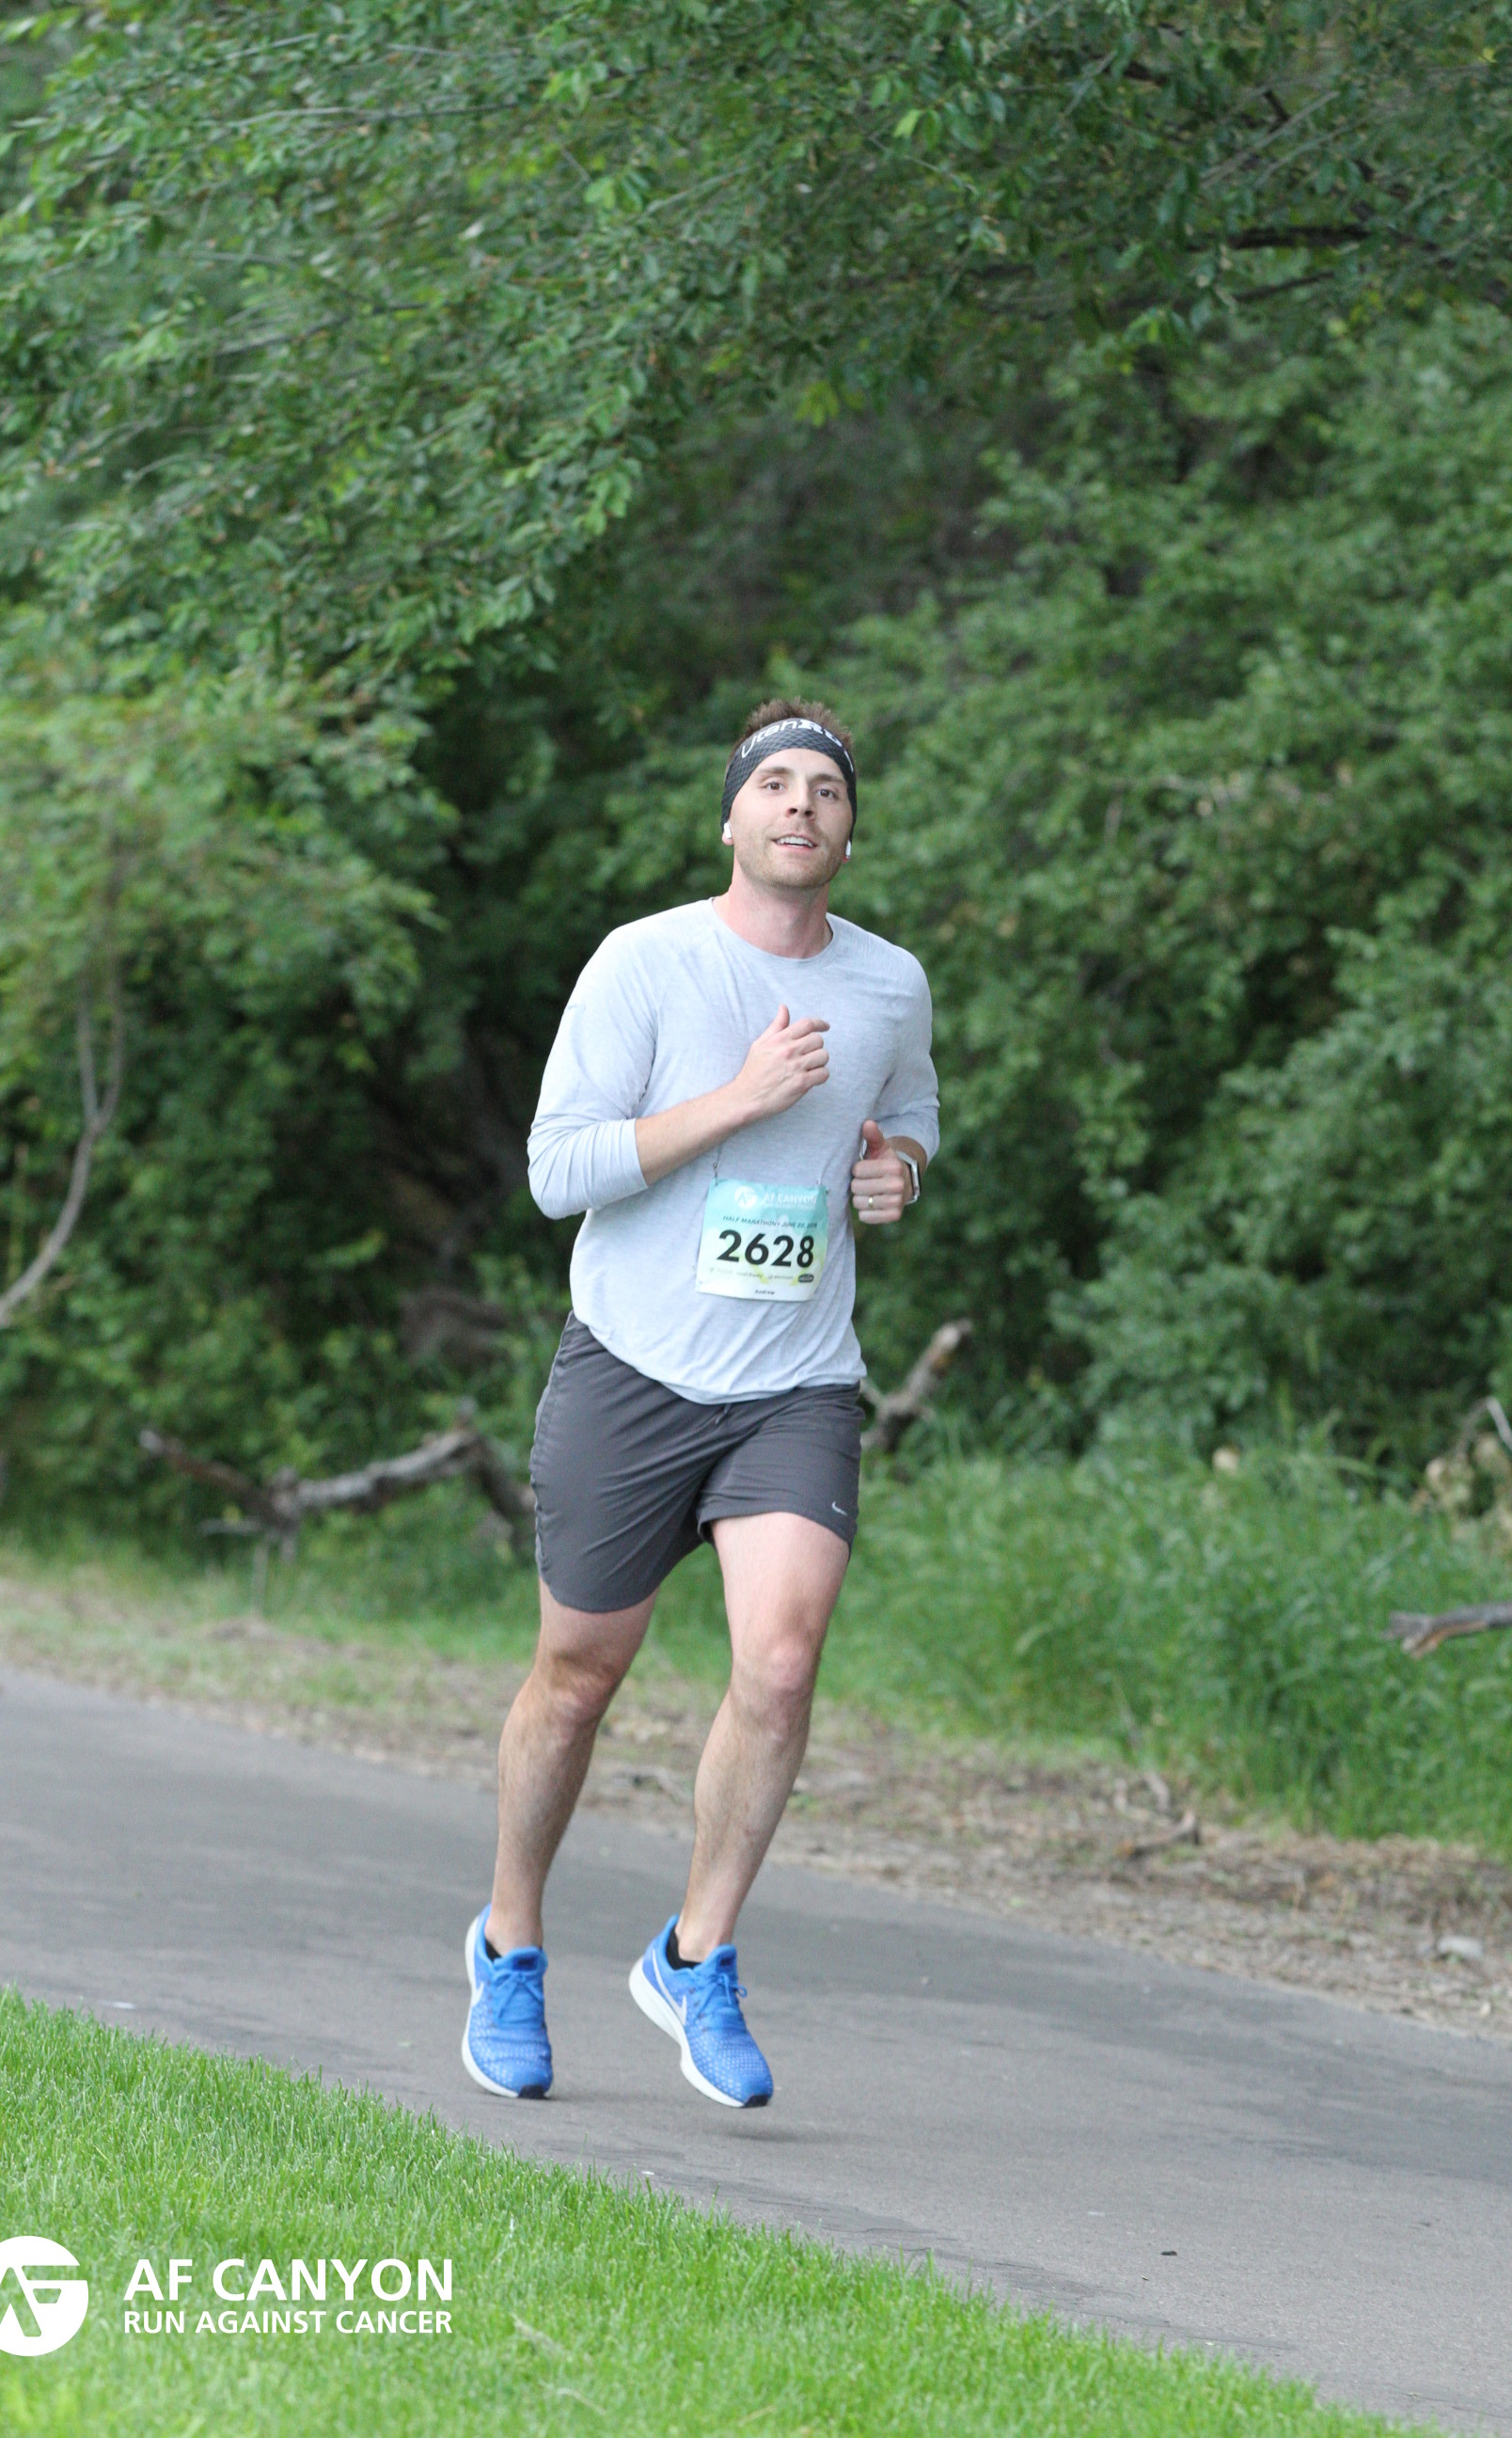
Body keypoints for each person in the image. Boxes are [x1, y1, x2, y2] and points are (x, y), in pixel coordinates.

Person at [461, 696, 937, 2108]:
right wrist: (737, 1100)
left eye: (826, 791)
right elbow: (558, 1173)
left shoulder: (889, 983)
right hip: (632, 1368)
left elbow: (909, 1115)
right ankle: (508, 1944)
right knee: (577, 1679)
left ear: (849, 832)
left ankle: (696, 1955)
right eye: (774, 784)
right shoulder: (645, 961)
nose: (801, 806)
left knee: (780, 1667)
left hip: (795, 1382)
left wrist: (898, 1173)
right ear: (730, 818)